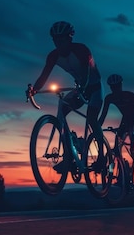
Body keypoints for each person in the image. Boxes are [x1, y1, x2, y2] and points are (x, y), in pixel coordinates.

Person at [28, 20, 105, 170]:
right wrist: (34, 89)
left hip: (94, 87)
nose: (58, 44)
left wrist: (82, 87)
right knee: (61, 113)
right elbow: (44, 76)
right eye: (55, 40)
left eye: (62, 40)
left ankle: (102, 158)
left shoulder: (82, 50)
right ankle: (69, 156)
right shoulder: (53, 56)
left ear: (69, 38)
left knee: (91, 119)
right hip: (79, 87)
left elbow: (87, 73)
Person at [98, 74, 134, 165]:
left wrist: (131, 128)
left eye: (117, 86)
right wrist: (97, 127)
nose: (115, 89)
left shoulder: (130, 96)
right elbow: (103, 114)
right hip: (125, 119)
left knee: (132, 150)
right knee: (116, 148)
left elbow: (133, 113)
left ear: (121, 85)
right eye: (113, 87)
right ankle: (121, 172)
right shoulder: (109, 98)